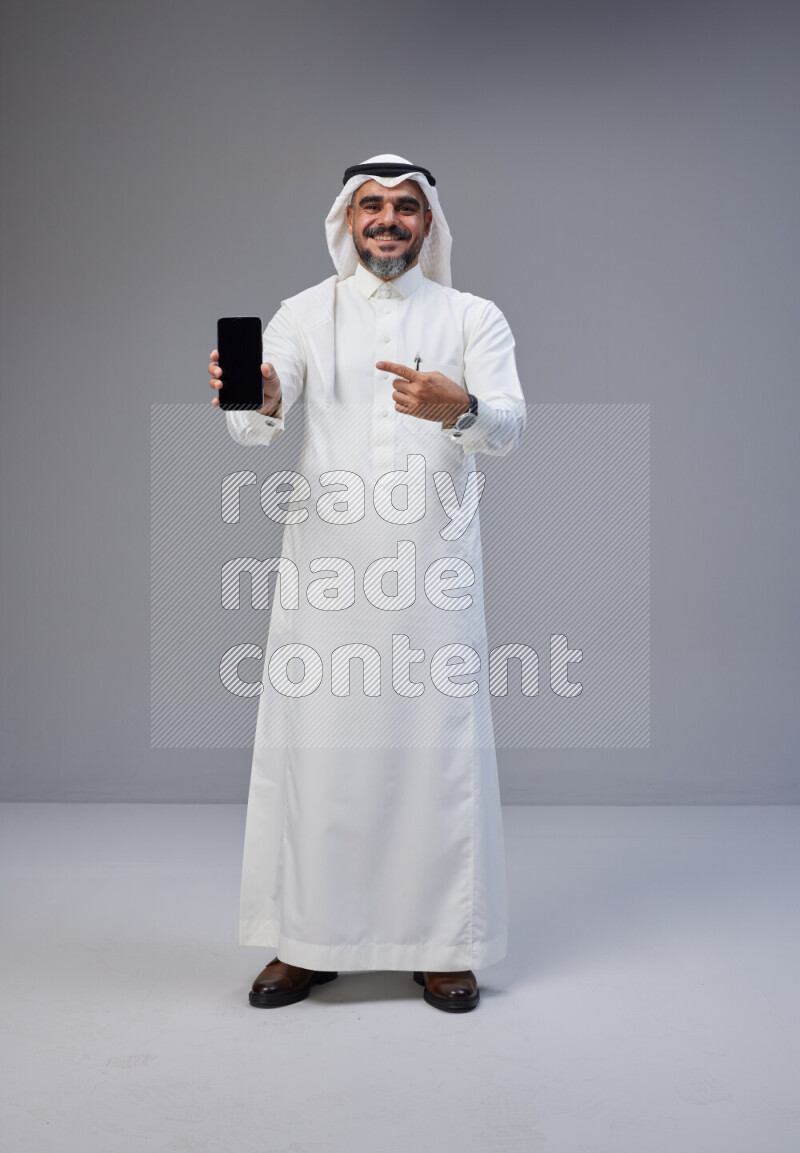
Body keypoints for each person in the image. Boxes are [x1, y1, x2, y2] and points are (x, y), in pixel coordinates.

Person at [208, 154, 526, 1012]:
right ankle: (309, 942)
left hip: (431, 574)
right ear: (348, 220)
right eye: (372, 207)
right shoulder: (305, 313)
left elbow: (510, 424)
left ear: (429, 224)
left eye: (406, 208)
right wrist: (262, 392)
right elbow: (254, 423)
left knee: (434, 754)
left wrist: (458, 408)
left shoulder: (472, 315)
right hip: (329, 575)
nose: (388, 220)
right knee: (324, 755)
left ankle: (442, 945)